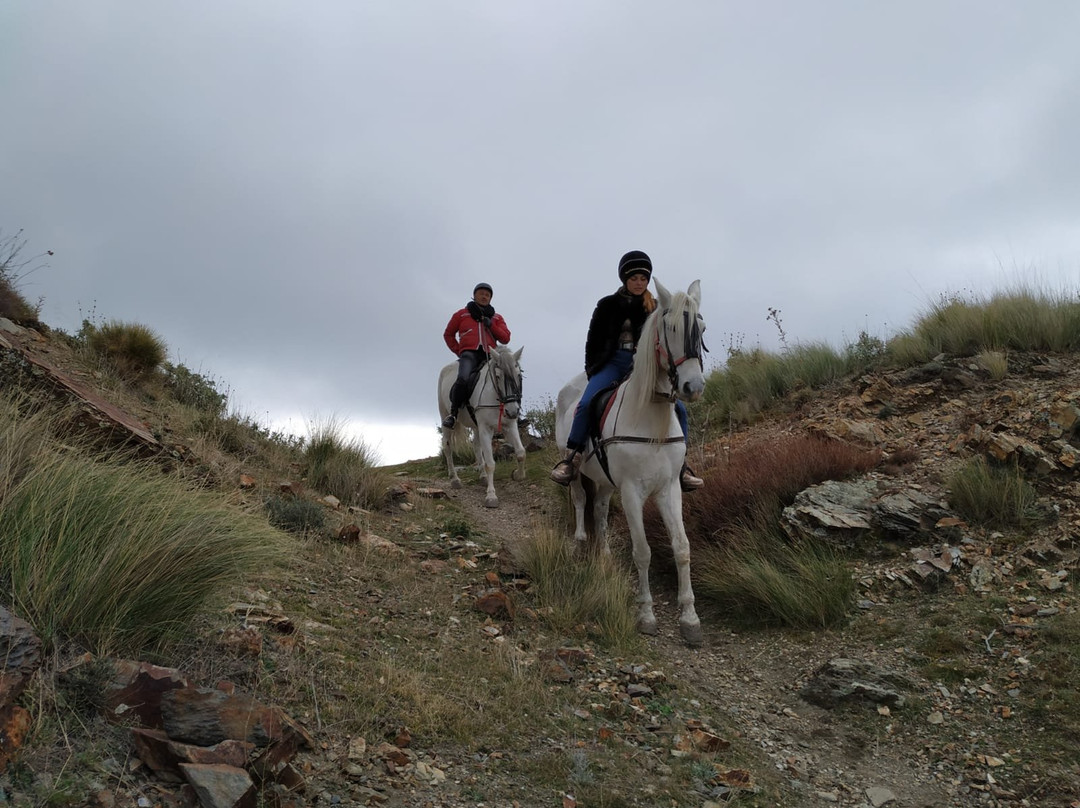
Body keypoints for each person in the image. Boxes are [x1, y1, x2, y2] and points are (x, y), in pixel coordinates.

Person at [550, 250, 704, 491]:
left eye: (643, 278)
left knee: (680, 409)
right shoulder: (607, 305)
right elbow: (593, 341)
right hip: (612, 363)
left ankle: (681, 467)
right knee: (587, 402)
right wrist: (593, 370)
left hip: (645, 367)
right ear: (625, 279)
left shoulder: (656, 307)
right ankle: (572, 458)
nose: (639, 283)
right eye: (634, 278)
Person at [442, 282, 512, 430]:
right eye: (481, 294)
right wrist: (459, 350)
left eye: (487, 295)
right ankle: (453, 414)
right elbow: (448, 334)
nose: (484, 297)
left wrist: (491, 325)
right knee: (463, 378)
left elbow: (505, 338)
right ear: (474, 295)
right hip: (469, 354)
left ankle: (514, 414)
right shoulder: (461, 314)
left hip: (490, 355)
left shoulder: (496, 317)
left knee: (509, 376)